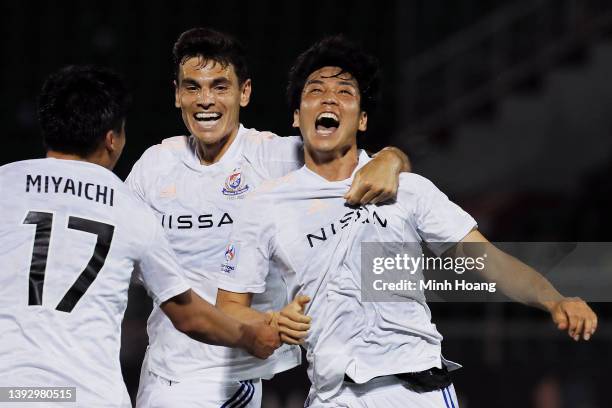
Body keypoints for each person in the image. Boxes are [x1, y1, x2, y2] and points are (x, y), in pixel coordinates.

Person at [215, 36, 599, 408]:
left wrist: (555, 298)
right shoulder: (265, 204)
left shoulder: (409, 189)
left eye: (345, 92)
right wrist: (269, 322)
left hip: (415, 391)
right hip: (331, 393)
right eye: (315, 90)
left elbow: (488, 261)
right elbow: (229, 305)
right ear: (297, 116)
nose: (329, 97)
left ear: (362, 119)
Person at [128, 28, 411, 408]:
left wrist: (392, 159)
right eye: (192, 87)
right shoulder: (154, 165)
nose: (205, 100)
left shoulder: (276, 157)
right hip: (159, 372)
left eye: (220, 86)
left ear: (244, 92)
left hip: (228, 379)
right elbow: (115, 245)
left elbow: (363, 162)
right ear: (177, 94)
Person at [0, 65, 281, 408]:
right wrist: (250, 335)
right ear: (112, 138)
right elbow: (188, 315)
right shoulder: (128, 208)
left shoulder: (5, 185)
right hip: (89, 396)